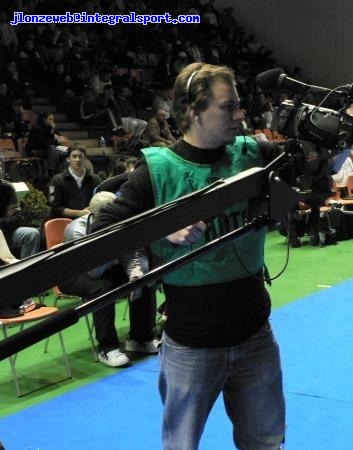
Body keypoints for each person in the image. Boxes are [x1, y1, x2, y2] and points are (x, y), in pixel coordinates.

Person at [92, 62, 285, 449]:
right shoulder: (158, 170)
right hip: (190, 344)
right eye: (227, 107)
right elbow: (101, 230)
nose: (239, 114)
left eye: (239, 105)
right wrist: (160, 227)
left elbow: (311, 180)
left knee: (266, 441)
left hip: (256, 336)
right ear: (194, 112)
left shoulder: (253, 153)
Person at [58, 190, 159, 367]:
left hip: (108, 265)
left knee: (144, 279)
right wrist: (113, 247)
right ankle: (107, 348)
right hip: (73, 274)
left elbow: (133, 252)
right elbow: (93, 272)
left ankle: (140, 338)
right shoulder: (75, 230)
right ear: (95, 215)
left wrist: (135, 273)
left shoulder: (121, 222)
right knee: (102, 288)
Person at [48, 143, 102, 219]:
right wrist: (79, 213)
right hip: (64, 222)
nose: (77, 159)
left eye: (80, 156)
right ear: (68, 159)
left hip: (89, 221)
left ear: (85, 158)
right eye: (74, 156)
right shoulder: (57, 180)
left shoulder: (95, 179)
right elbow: (55, 207)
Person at [0, 179, 40, 258]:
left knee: (32, 234)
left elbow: (16, 218)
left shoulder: (7, 187)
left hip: (6, 231)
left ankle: (27, 269)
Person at [24, 111, 69, 175]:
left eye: (53, 119)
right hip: (34, 149)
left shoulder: (50, 127)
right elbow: (43, 143)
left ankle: (60, 171)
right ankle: (52, 170)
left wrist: (54, 135)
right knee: (52, 148)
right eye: (50, 119)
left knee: (64, 153)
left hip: (46, 149)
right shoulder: (36, 128)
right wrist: (54, 138)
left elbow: (60, 137)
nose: (52, 121)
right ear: (44, 119)